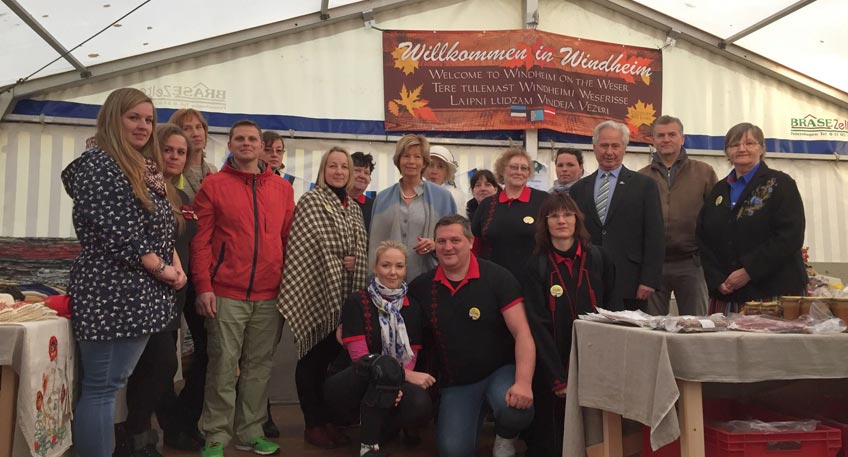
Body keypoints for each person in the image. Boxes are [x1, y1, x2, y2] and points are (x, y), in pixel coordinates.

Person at [61, 87, 187, 457]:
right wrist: (164, 269)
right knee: (101, 388)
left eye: (149, 119)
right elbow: (118, 231)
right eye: (134, 117)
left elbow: (162, 229)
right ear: (113, 118)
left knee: (110, 384)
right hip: (110, 290)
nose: (143, 126)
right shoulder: (100, 163)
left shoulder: (140, 167)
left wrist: (173, 265)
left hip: (139, 294)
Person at [192, 120, 295, 457]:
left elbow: (287, 240)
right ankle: (216, 436)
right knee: (222, 366)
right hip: (226, 292)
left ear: (262, 147)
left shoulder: (282, 189)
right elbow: (201, 240)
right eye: (240, 138)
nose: (247, 143)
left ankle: (250, 432)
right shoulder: (213, 185)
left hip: (269, 294)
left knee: (258, 367)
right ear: (231, 144)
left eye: (253, 139)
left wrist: (287, 286)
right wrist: (204, 286)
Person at [408, 215, 535, 457]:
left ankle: (506, 435)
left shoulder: (498, 278)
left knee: (516, 412)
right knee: (452, 451)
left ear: (470, 241)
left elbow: (523, 333)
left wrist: (523, 383)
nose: (448, 247)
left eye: (455, 240)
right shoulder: (421, 287)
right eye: (441, 241)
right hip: (458, 382)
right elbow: (392, 310)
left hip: (500, 371)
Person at [114, 124, 199, 456]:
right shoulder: (139, 188)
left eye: (181, 151)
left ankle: (140, 438)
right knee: (153, 366)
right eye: (168, 149)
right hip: (142, 291)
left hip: (173, 293)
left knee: (160, 368)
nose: (175, 156)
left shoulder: (184, 196)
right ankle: (134, 435)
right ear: (154, 150)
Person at [278, 147, 369, 449]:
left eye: (344, 167)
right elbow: (306, 244)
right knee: (311, 362)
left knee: (331, 364)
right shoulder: (311, 201)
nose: (339, 171)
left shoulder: (353, 207)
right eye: (333, 166)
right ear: (323, 169)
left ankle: (327, 419)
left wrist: (355, 260)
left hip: (345, 296)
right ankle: (312, 423)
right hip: (316, 293)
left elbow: (359, 248)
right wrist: (339, 256)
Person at [520, 193, 615, 457]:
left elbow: (611, 311)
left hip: (595, 358)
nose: (562, 220)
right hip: (554, 364)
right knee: (555, 437)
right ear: (545, 223)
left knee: (596, 431)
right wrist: (556, 377)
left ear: (577, 219)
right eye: (554, 216)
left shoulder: (599, 259)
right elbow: (537, 326)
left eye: (567, 214)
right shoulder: (535, 266)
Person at [324, 241, 433, 457]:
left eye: (399, 266)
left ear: (405, 269)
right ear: (375, 268)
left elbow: (411, 356)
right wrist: (399, 377)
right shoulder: (357, 301)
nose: (393, 272)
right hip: (351, 380)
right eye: (386, 265)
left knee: (420, 403)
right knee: (379, 364)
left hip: (393, 382)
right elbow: (360, 359)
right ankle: (369, 448)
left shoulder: (412, 307)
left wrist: (396, 381)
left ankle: (386, 426)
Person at [697, 122, 807, 314]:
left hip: (774, 292)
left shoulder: (781, 184)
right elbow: (704, 238)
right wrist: (717, 279)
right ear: (727, 152)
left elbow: (790, 237)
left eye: (749, 143)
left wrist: (749, 271)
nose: (742, 149)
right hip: (728, 294)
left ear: (762, 148)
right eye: (734, 144)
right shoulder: (719, 190)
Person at [569, 120, 665, 311]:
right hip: (588, 279)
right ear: (594, 147)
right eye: (604, 145)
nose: (609, 152)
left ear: (624, 148)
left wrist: (649, 280)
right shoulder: (579, 189)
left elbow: (655, 235)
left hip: (630, 282)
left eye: (615, 146)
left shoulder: (644, 186)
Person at [639, 116, 718, 316]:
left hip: (692, 263)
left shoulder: (704, 173)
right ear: (653, 140)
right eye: (660, 135)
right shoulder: (641, 177)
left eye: (672, 134)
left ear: (682, 138)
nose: (666, 139)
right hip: (654, 265)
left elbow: (716, 218)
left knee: (696, 325)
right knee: (652, 328)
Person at [370, 134, 457, 282]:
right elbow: (374, 244)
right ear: (398, 160)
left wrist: (436, 244)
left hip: (429, 282)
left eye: (417, 157)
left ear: (424, 162)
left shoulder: (443, 198)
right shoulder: (382, 199)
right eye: (406, 156)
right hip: (388, 284)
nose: (411, 161)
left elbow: (456, 239)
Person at [471, 147, 549, 279]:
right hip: (493, 280)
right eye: (514, 167)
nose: (519, 172)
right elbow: (477, 247)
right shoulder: (487, 205)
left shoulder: (544, 200)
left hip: (533, 281)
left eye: (524, 168)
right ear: (502, 170)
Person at [169, 109, 218, 201]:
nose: (195, 134)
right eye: (187, 129)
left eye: (198, 127)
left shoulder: (213, 171)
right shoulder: (171, 171)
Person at [426, 145, 467, 211]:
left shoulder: (453, 199)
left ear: (447, 172)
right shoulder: (412, 194)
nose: (434, 171)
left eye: (440, 166)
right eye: (430, 165)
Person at [351, 151, 376, 233]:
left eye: (366, 173)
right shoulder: (335, 202)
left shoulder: (374, 207)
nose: (362, 176)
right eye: (357, 170)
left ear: (369, 179)